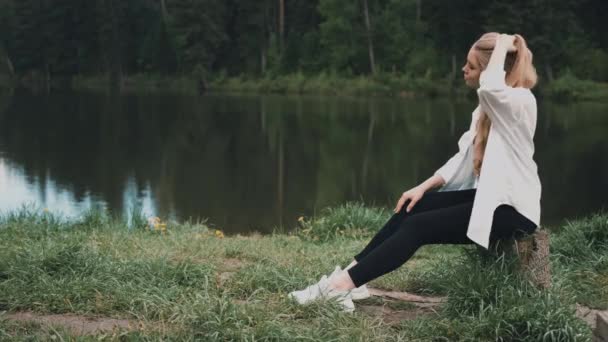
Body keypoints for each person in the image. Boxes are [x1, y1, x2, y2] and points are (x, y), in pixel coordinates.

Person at [289, 32, 542, 312]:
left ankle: (338, 288)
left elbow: (491, 89)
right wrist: (423, 187)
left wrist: (503, 47)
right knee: (414, 207)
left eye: (470, 66)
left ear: (488, 71)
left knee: (419, 228)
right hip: (493, 199)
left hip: (515, 212)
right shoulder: (487, 109)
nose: (463, 70)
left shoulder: (520, 102)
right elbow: (462, 159)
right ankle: (352, 275)